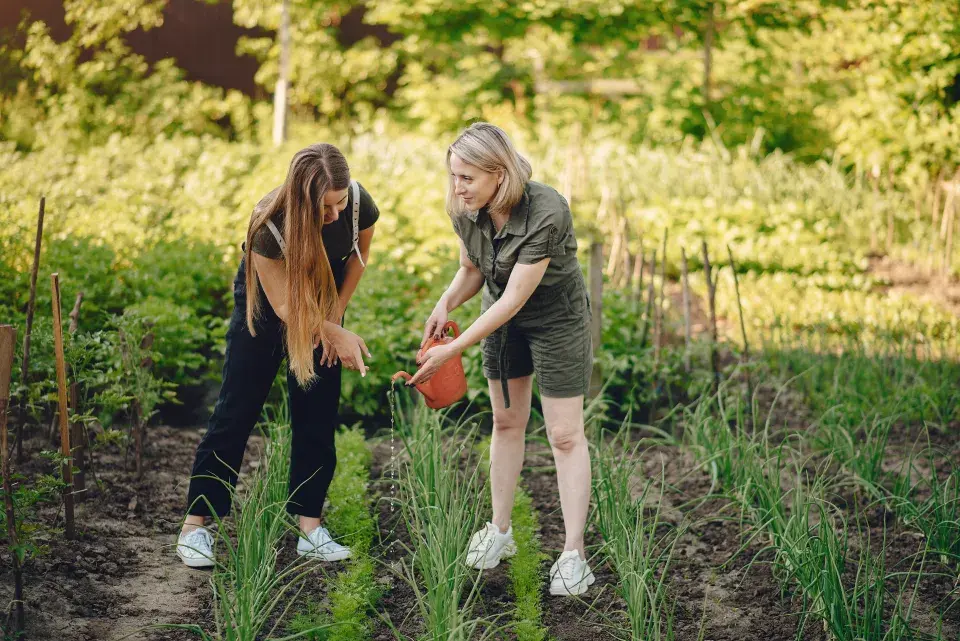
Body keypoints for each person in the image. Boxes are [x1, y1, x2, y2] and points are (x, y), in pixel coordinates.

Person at [409, 122, 594, 596]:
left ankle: (574, 555)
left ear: (499, 172)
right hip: (500, 319)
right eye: (453, 175)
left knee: (565, 434)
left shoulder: (547, 211)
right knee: (506, 421)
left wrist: (453, 348)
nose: (457, 187)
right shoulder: (466, 208)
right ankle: (500, 531)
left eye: (467, 177)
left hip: (556, 320)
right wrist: (446, 303)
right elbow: (473, 269)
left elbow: (515, 297)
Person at [176, 143, 377, 568]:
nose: (337, 214)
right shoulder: (268, 225)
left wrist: (335, 317)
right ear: (302, 201)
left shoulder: (357, 203)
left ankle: (310, 528)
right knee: (237, 411)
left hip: (324, 304)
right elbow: (285, 310)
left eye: (341, 202)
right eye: (325, 207)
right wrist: (332, 330)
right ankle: (196, 528)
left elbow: (359, 256)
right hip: (266, 309)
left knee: (317, 412)